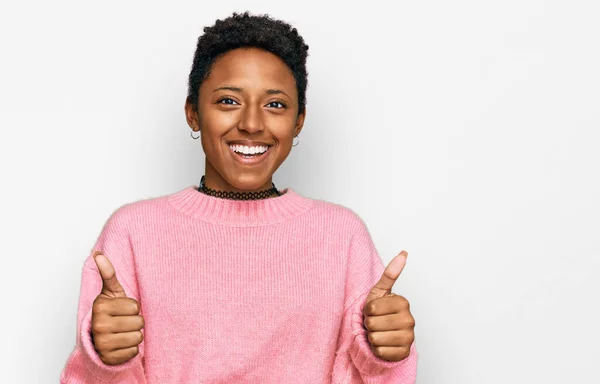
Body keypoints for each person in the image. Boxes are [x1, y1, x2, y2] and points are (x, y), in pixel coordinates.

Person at [60, 11, 418, 383]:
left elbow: (369, 375)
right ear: (193, 113)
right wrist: (104, 360)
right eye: (228, 101)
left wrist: (381, 356)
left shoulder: (343, 236)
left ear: (299, 121)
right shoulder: (132, 232)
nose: (251, 123)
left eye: (275, 104)